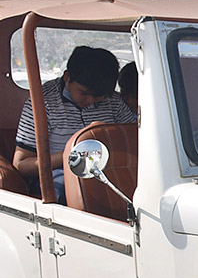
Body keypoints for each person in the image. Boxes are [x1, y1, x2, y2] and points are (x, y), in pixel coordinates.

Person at [13, 46, 137, 201]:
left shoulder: (114, 102)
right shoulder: (42, 103)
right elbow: (21, 164)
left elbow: (135, 141)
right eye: (84, 93)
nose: (90, 101)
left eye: (100, 97)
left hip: (111, 168)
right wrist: (76, 156)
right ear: (67, 77)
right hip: (59, 171)